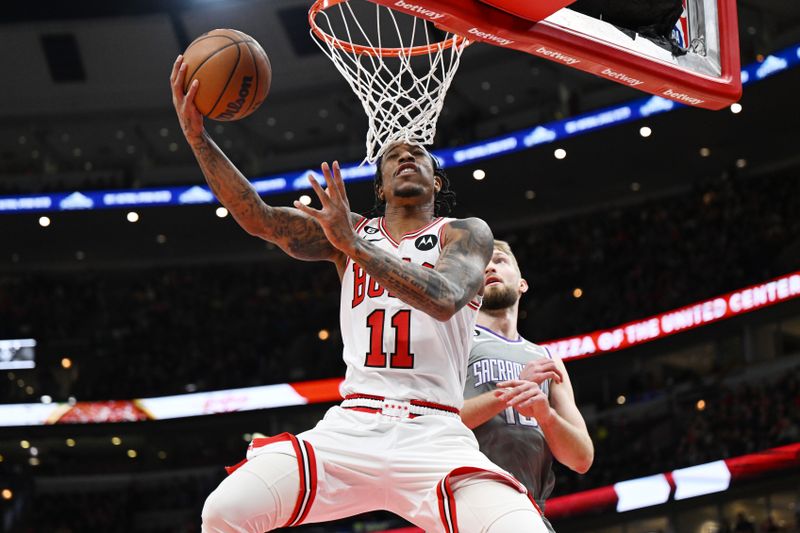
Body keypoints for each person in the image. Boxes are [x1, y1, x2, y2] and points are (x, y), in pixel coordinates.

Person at [170, 56, 548, 533]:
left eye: (418, 155)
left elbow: (446, 296)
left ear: (436, 180)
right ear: (382, 186)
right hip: (351, 428)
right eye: (393, 157)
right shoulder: (348, 231)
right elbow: (260, 218)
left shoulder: (465, 233)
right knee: (225, 511)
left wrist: (354, 248)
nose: (406, 157)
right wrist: (199, 141)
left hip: (435, 434)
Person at [461, 241, 594, 532]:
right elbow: (438, 421)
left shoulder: (547, 360)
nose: (490, 266)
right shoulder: (456, 343)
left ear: (522, 284)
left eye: (500, 260)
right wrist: (512, 391)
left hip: (530, 506)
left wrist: (546, 416)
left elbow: (581, 458)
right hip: (470, 500)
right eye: (481, 265)